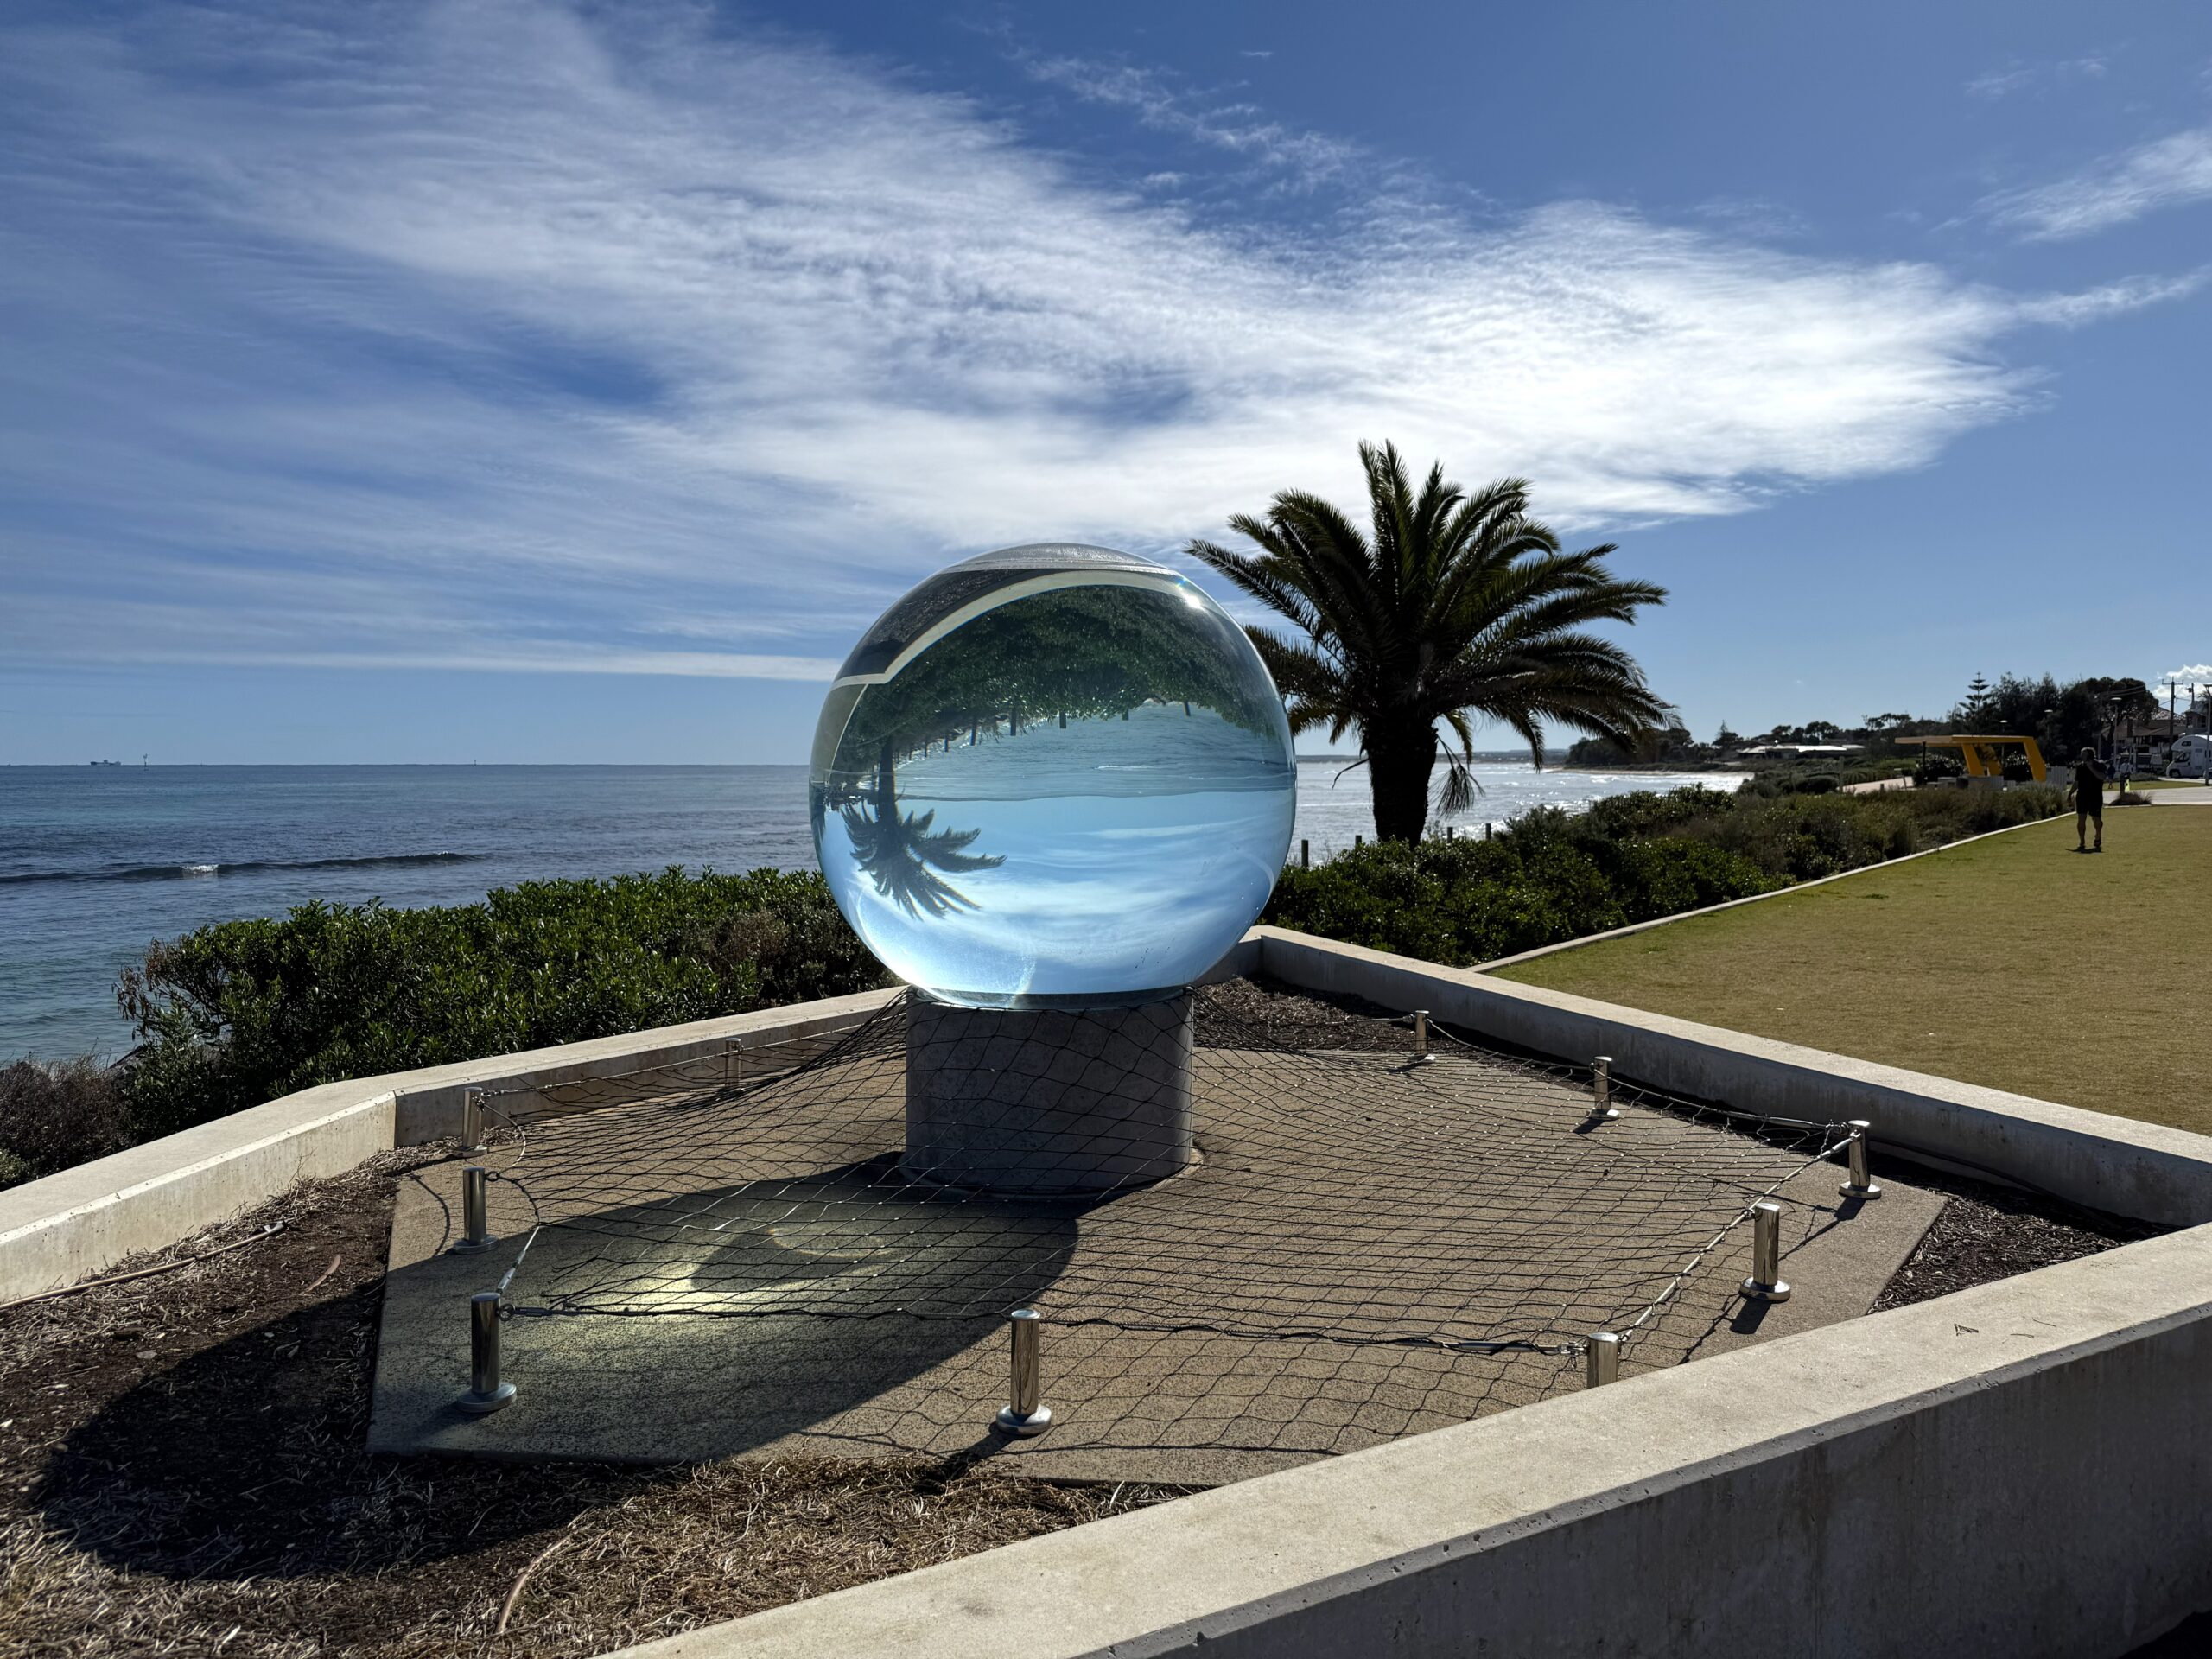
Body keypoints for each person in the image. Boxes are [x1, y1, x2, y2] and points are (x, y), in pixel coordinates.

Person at [2073, 747, 2107, 852]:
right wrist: (2070, 793)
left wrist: (2091, 768)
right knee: (2081, 818)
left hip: (2095, 796)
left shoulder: (2100, 765)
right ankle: (2082, 841)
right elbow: (2077, 782)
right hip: (2082, 796)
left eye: (2083, 754)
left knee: (2096, 819)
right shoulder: (2080, 767)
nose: (2081, 756)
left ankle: (2098, 835)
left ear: (2089, 755)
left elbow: (2102, 777)